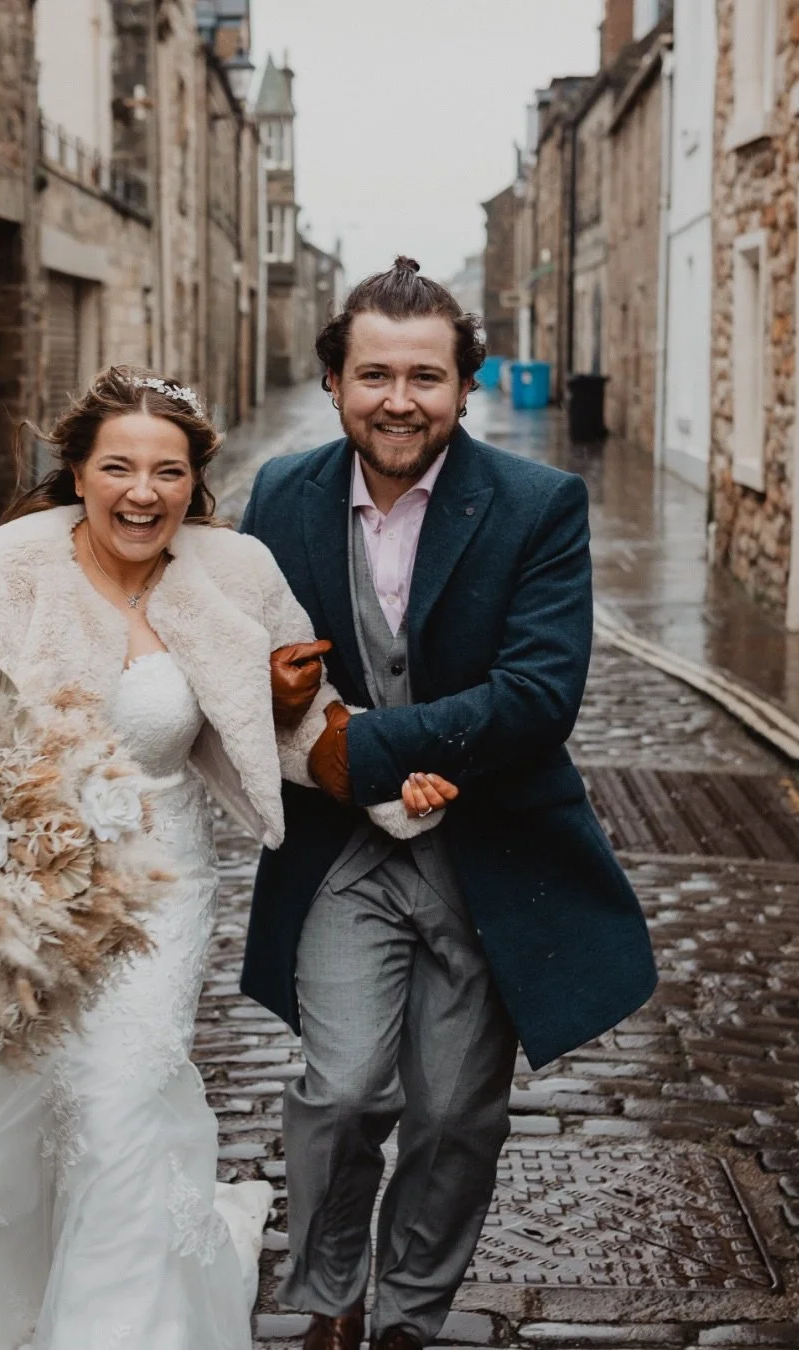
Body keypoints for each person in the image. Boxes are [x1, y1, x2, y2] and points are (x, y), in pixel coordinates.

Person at [0, 365, 441, 1350]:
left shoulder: (235, 574)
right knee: (14, 1116)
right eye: (118, 467)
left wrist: (386, 780)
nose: (143, 492)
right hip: (20, 902)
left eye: (167, 472)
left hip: (160, 896)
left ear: (194, 482)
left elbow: (301, 718)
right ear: (78, 473)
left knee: (125, 1100)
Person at [245, 259, 658, 1350]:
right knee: (338, 1094)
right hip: (342, 859)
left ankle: (407, 1322)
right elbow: (243, 664)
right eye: (373, 373)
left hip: (487, 857)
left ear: (463, 386)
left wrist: (360, 748)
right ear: (333, 380)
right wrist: (284, 705)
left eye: (425, 376)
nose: (398, 399)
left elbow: (536, 695)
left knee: (453, 1116)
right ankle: (331, 1294)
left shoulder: (536, 505)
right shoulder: (280, 495)